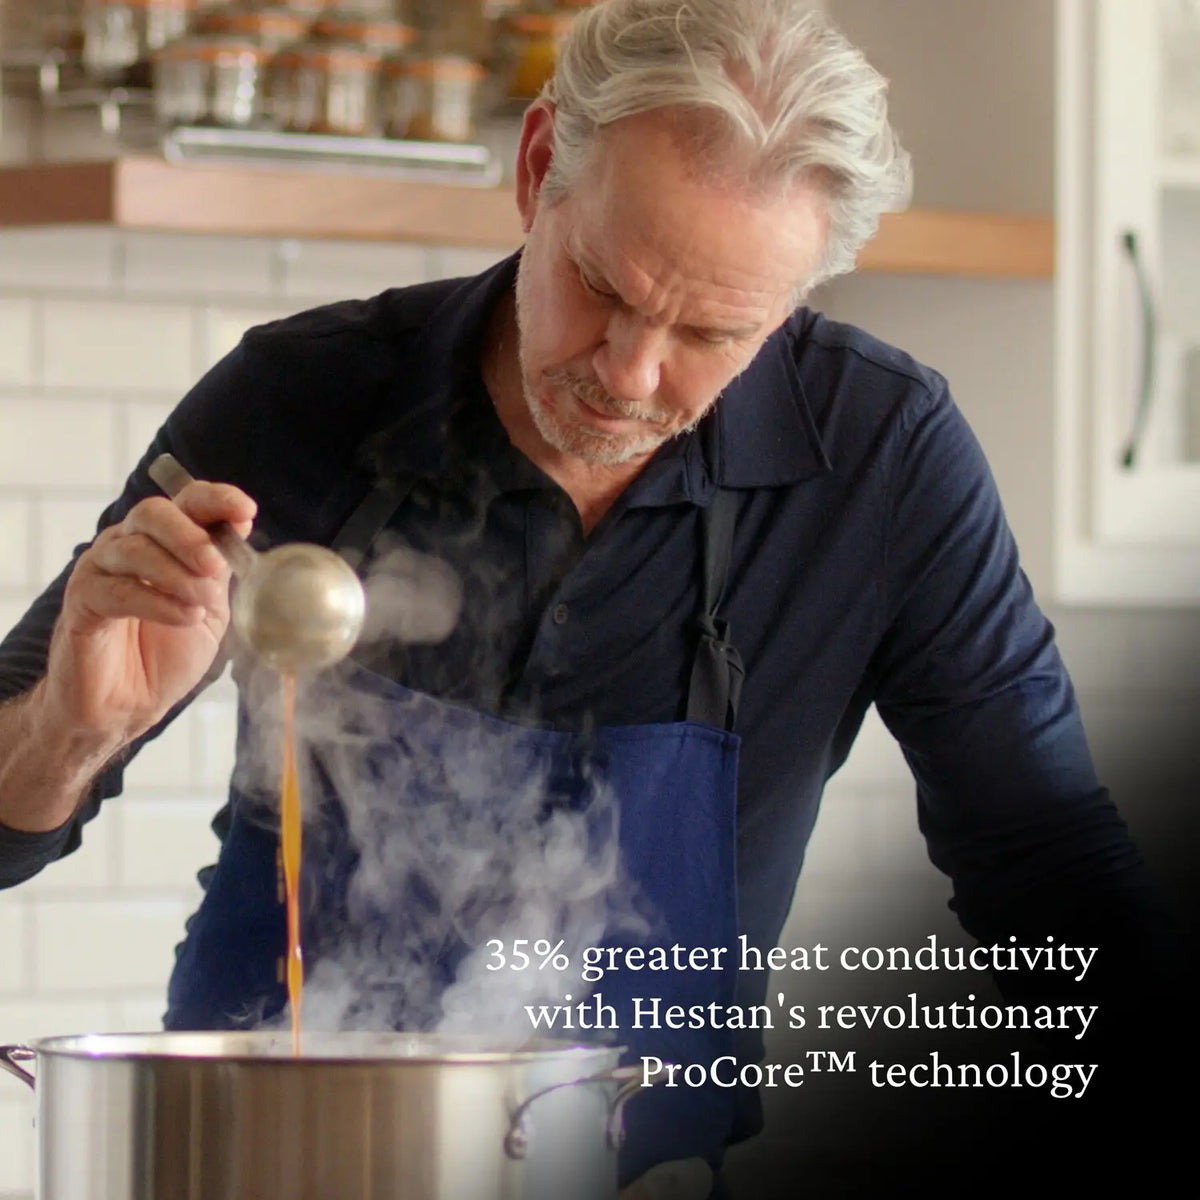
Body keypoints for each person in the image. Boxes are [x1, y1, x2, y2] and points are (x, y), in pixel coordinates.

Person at [0, 0, 1176, 1195]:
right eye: (603, 287)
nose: (631, 374)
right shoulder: (298, 401)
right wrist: (70, 730)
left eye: (714, 331)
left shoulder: (880, 457)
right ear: (537, 170)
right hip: (260, 1162)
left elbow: (1046, 861)